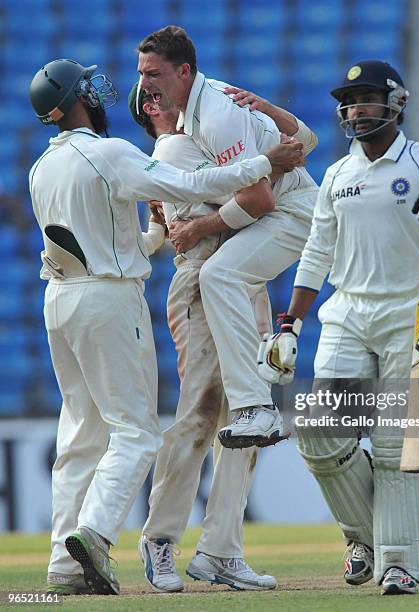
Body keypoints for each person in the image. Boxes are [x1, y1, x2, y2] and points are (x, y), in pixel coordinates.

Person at [28, 57, 303, 597]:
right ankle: (97, 532)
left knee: (81, 432)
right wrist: (262, 163)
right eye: (89, 86)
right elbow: (196, 180)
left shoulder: (43, 167)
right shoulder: (110, 152)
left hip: (60, 298)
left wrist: (157, 231)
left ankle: (64, 561)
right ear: (78, 98)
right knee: (137, 433)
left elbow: (123, 242)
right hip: (108, 299)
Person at [257, 60, 419, 595]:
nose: (357, 109)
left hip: (411, 317)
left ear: (396, 103)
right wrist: (290, 322)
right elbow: (317, 252)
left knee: (394, 446)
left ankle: (400, 562)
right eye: (350, 100)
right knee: (316, 432)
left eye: (368, 98)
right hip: (347, 315)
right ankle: (364, 537)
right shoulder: (338, 174)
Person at [128, 83, 318, 592]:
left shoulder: (190, 145)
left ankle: (222, 551)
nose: (169, 106)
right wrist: (273, 162)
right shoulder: (171, 148)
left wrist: (273, 156)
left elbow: (262, 180)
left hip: (234, 275)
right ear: (151, 115)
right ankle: (161, 540)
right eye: (157, 102)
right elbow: (256, 196)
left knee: (243, 423)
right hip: (200, 276)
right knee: (201, 411)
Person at [136, 25, 319, 450]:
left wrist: (198, 227)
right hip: (294, 203)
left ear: (184, 72)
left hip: (295, 211)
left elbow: (260, 200)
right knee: (223, 276)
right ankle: (259, 398)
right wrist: (271, 114)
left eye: (154, 74)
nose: (145, 85)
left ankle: (257, 408)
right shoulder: (205, 102)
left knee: (219, 276)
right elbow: (305, 143)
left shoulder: (215, 116)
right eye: (142, 74)